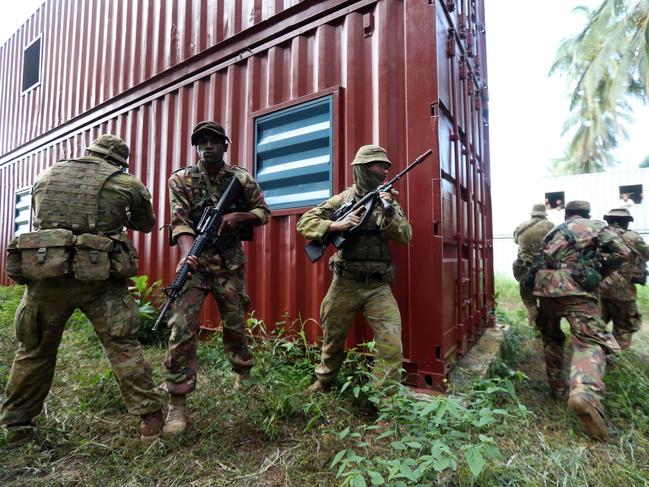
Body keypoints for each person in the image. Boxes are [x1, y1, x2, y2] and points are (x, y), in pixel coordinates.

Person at [1, 135, 164, 445]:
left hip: (48, 276)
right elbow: (145, 224)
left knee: (33, 351)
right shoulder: (128, 183)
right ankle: (150, 423)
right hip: (100, 279)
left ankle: (17, 427)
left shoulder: (46, 174)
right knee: (123, 348)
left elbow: (40, 219)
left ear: (89, 152)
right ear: (117, 161)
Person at [163, 121, 270, 435]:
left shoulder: (240, 178)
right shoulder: (180, 179)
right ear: (196, 147)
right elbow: (179, 220)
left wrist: (239, 216)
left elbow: (263, 211)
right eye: (202, 141)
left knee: (235, 323)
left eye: (214, 141)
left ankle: (244, 377)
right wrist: (186, 252)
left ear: (225, 145)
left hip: (229, 264)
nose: (207, 146)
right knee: (181, 328)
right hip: (194, 266)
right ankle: (177, 403)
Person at [297, 145, 412, 394]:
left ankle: (386, 402)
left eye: (386, 166)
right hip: (345, 281)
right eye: (379, 165)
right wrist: (337, 225)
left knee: (391, 345)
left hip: (378, 286)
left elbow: (405, 236)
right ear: (363, 169)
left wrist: (389, 209)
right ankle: (324, 382)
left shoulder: (388, 201)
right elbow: (305, 222)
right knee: (333, 338)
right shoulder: (343, 199)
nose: (384, 170)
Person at [534, 200, 630, 441]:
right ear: (587, 213)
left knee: (551, 337)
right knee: (588, 342)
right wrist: (597, 272)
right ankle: (584, 393)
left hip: (544, 288)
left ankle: (557, 389)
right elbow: (622, 252)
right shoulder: (595, 226)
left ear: (567, 214)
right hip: (575, 289)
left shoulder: (552, 231)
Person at [599, 208, 649, 350]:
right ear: (626, 222)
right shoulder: (632, 237)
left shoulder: (597, 235)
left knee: (597, 325)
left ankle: (598, 355)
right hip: (622, 291)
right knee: (625, 326)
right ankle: (615, 359)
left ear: (608, 221)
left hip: (597, 288)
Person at [512, 204, 554, 327]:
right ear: (544, 214)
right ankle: (546, 329)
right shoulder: (551, 226)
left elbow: (515, 241)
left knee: (529, 302)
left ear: (532, 214)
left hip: (526, 270)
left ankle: (533, 324)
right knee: (546, 302)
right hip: (546, 270)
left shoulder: (521, 227)